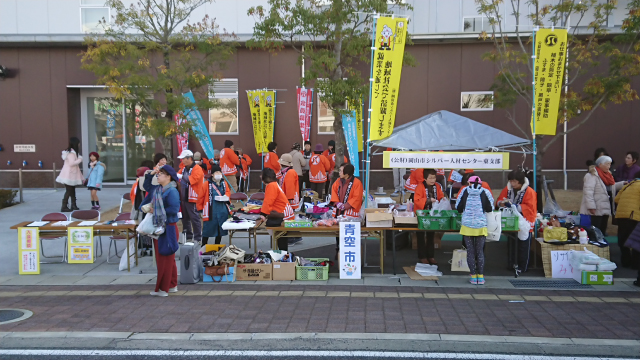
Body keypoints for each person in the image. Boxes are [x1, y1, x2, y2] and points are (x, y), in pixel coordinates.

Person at [141, 165, 180, 297]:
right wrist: (151, 173)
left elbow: (174, 210)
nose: (158, 176)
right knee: (168, 259)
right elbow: (146, 185)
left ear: (168, 176)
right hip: (161, 227)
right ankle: (172, 285)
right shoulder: (158, 189)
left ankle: (164, 289)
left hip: (168, 228)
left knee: (165, 259)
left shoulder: (172, 191)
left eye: (161, 174)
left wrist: (154, 210)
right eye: (158, 174)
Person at [496, 170, 537, 273]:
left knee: (523, 244)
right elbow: (499, 200)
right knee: (512, 243)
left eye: (514, 181)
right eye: (511, 181)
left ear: (520, 181)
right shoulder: (507, 188)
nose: (512, 183)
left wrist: (515, 207)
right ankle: (512, 264)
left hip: (525, 221)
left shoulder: (530, 192)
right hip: (512, 220)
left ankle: (523, 267)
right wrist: (501, 203)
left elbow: (530, 207)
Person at [456, 175, 494, 285]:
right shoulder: (486, 192)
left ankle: (473, 276)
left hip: (467, 225)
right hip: (481, 225)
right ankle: (481, 277)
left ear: (469, 183)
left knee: (470, 252)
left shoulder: (464, 191)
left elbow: (458, 207)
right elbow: (490, 208)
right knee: (480, 251)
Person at [331, 163, 363, 259]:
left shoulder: (357, 183)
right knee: (337, 232)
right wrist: (337, 203)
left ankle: (347, 252)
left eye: (341, 171)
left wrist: (346, 205)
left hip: (350, 214)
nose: (339, 172)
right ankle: (338, 250)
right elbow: (333, 191)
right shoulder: (338, 181)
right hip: (339, 211)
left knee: (349, 233)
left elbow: (357, 197)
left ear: (347, 174)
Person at [414, 169, 445, 265]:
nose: (432, 180)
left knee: (431, 235)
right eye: (430, 178)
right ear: (425, 178)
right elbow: (417, 200)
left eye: (434, 178)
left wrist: (442, 198)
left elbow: (440, 196)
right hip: (422, 214)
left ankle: (431, 256)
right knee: (421, 235)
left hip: (433, 213)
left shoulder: (437, 186)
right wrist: (428, 200)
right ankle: (422, 256)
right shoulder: (420, 186)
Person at [260, 168, 295, 251]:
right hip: (286, 214)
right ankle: (284, 257)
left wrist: (263, 214)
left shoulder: (271, 186)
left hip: (282, 215)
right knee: (282, 239)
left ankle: (283, 257)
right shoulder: (274, 184)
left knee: (281, 239)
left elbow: (268, 200)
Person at [580, 156, 615, 235]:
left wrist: (623, 183)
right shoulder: (591, 175)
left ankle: (601, 245)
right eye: (607, 164)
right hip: (596, 208)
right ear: (600, 164)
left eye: (610, 164)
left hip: (605, 207)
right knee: (595, 230)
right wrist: (591, 206)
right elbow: (588, 192)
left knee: (602, 230)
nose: (609, 166)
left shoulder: (608, 175)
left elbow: (612, 186)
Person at [177, 150, 205, 244]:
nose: (182, 161)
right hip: (184, 196)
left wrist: (180, 176)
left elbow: (192, 180)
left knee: (194, 218)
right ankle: (188, 236)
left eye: (184, 159)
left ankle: (198, 238)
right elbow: (178, 177)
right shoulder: (184, 169)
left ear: (190, 158)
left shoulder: (197, 168)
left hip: (194, 197)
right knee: (185, 218)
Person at [614, 171, 640, 269]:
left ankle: (625, 261)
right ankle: (635, 264)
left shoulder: (628, 185)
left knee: (623, 239)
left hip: (621, 215)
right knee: (635, 241)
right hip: (633, 215)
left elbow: (616, 199)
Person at [201, 164, 231, 246]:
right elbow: (201, 196)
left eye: (219, 172)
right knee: (207, 228)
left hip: (222, 210)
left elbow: (228, 192)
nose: (218, 174)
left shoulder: (224, 183)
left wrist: (226, 196)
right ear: (212, 174)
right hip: (211, 210)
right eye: (216, 172)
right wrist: (200, 209)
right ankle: (203, 245)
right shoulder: (206, 184)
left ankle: (217, 245)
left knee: (220, 229)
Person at [56, 137, 83, 212]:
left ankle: (73, 205)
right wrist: (80, 159)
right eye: (78, 143)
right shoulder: (71, 153)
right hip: (69, 175)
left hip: (69, 174)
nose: (79, 144)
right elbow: (72, 163)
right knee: (69, 190)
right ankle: (64, 206)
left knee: (72, 189)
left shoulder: (71, 152)